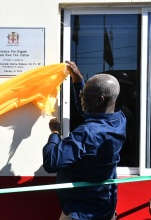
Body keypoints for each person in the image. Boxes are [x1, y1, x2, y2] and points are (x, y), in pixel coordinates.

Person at [43, 61, 126, 220]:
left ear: (100, 100)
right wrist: (78, 81)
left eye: (85, 95)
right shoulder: (119, 120)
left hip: (81, 212)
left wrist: (54, 134)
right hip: (105, 208)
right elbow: (89, 112)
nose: (81, 97)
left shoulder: (87, 133)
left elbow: (51, 162)